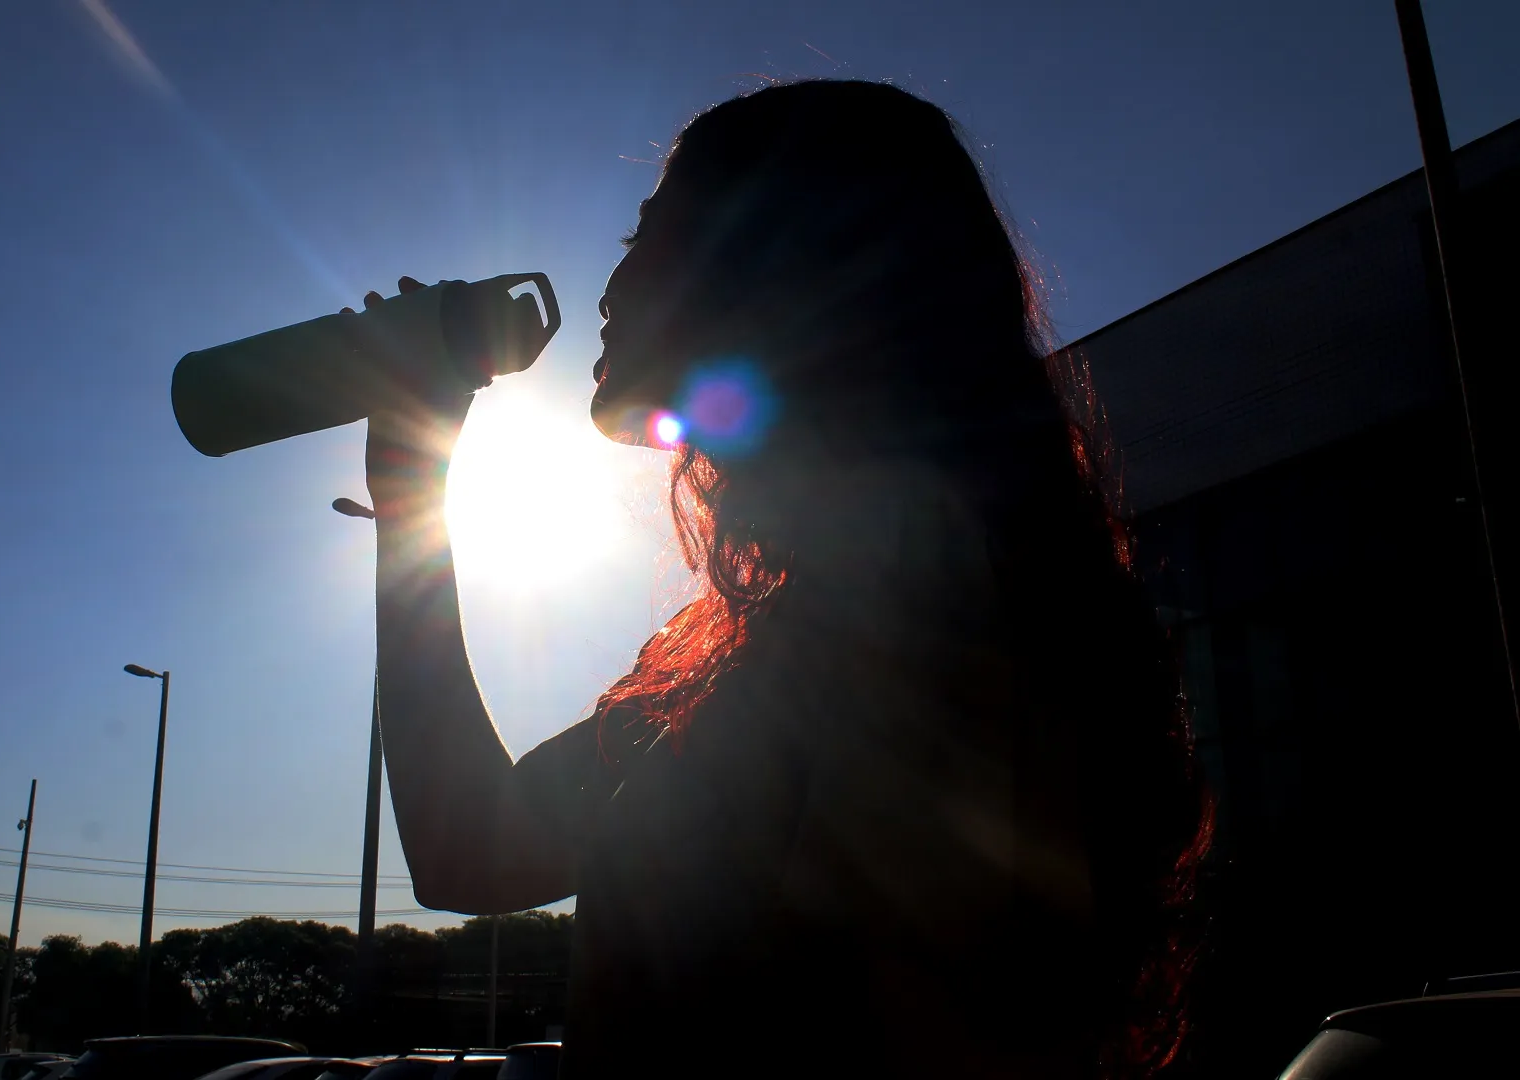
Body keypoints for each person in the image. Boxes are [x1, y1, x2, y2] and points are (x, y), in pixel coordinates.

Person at [359, 79, 1211, 1078]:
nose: (609, 284)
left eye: (653, 233)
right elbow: (471, 850)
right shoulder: (745, 656)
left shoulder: (923, 603)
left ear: (775, 266)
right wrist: (410, 497)